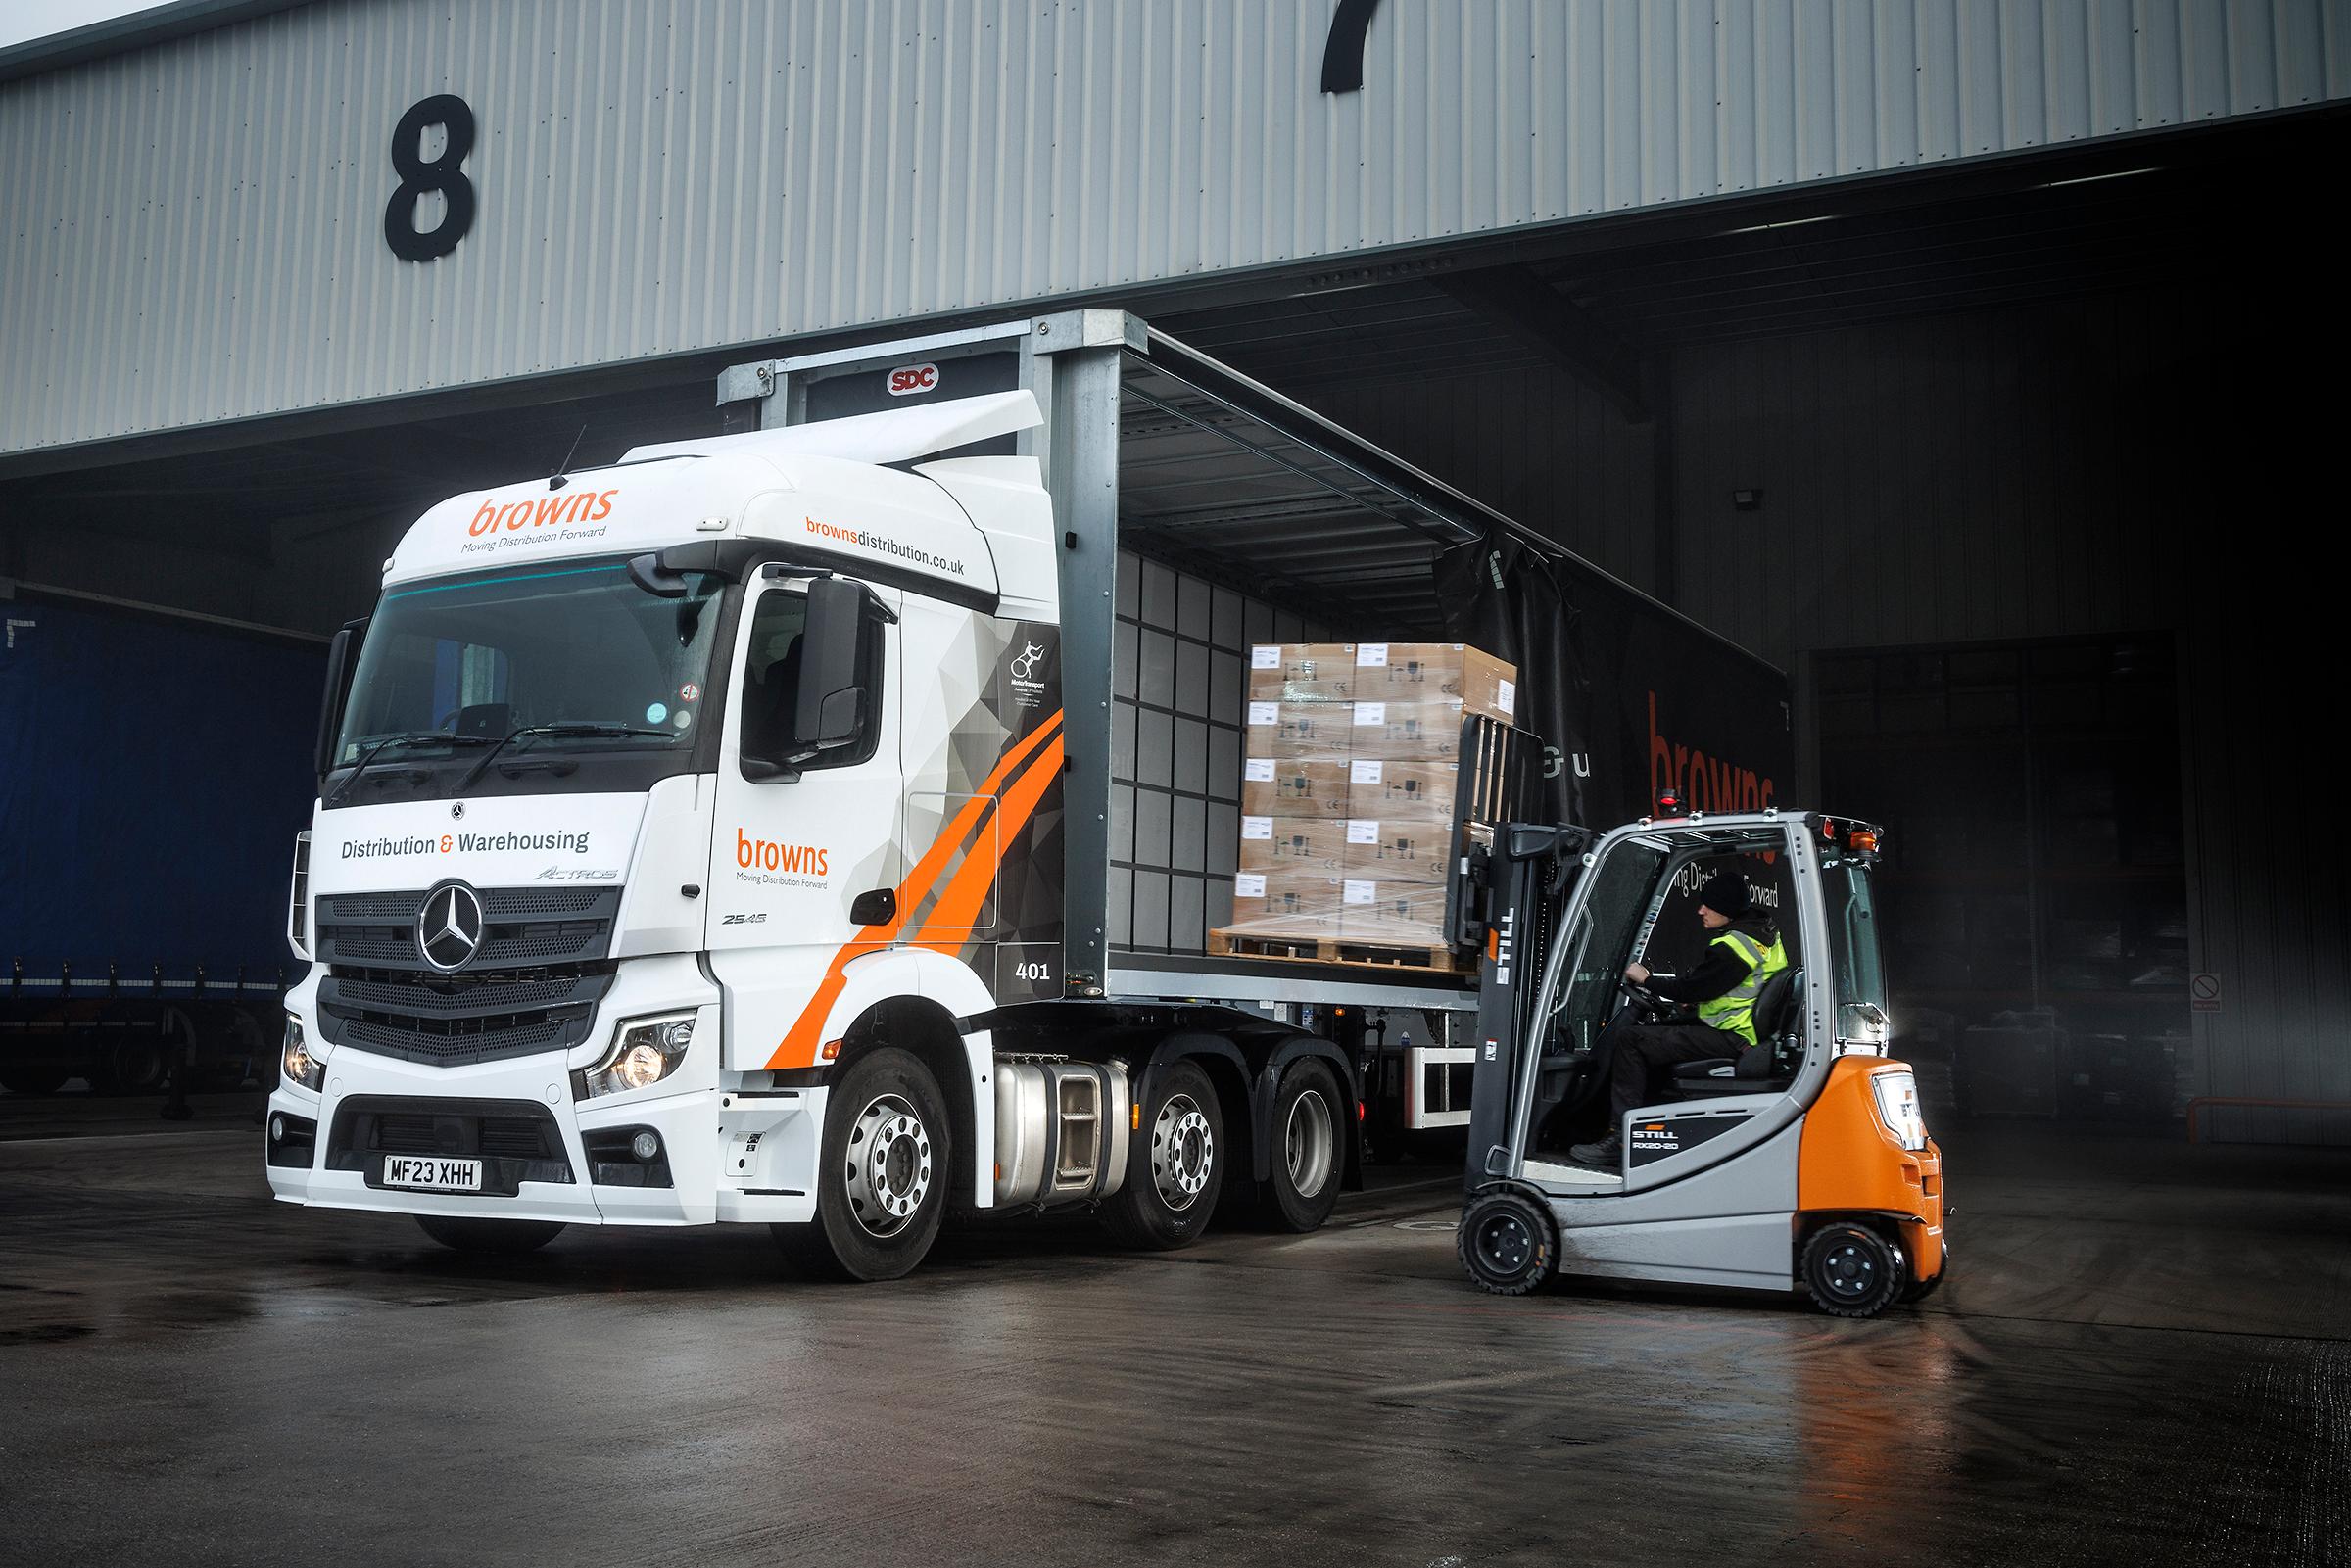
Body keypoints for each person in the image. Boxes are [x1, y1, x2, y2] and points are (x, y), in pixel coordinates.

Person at [1569, 871, 1787, 1168]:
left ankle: (1620, 1138)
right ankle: (1644, 1128)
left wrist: (1646, 979)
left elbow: (1691, 987)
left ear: (1724, 906)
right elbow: (1720, 986)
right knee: (1654, 1038)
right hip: (1738, 1031)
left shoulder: (1734, 947)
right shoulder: (1762, 933)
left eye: (1707, 905)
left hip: (1731, 1037)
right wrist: (1690, 1000)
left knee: (1630, 1040)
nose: (1701, 910)